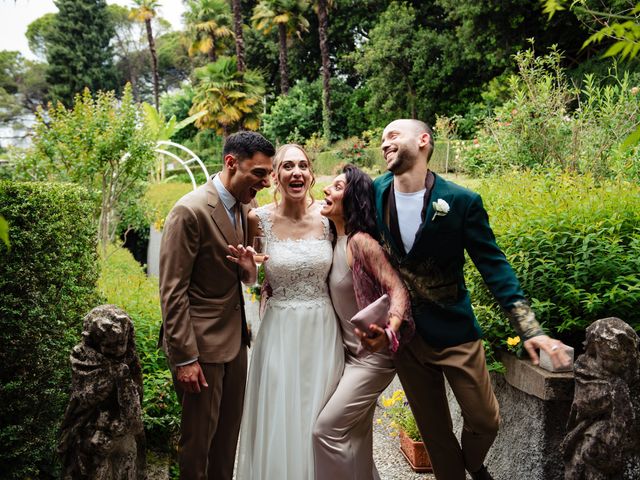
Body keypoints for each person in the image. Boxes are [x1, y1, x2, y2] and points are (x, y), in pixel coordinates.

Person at [365, 119, 572, 480]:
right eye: (382, 139)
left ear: (424, 140)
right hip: (406, 336)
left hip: (454, 330)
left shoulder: (461, 201)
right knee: (435, 435)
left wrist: (529, 328)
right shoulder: (374, 192)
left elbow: (494, 266)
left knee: (484, 420)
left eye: (394, 135)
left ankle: (475, 464)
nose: (385, 143)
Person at [158, 131, 275, 480]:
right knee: (198, 445)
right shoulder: (189, 211)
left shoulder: (247, 207)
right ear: (230, 163)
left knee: (227, 441)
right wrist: (185, 358)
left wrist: (248, 270)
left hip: (236, 342)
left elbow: (247, 278)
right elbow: (172, 290)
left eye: (268, 173)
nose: (266, 182)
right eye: (258, 173)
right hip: (200, 347)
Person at [234, 144, 344, 480]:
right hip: (279, 329)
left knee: (319, 415)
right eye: (286, 166)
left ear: (310, 174)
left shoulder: (329, 218)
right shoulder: (258, 218)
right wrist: (246, 268)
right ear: (275, 176)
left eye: (302, 166)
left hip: (322, 328)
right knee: (280, 412)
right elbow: (252, 278)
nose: (296, 172)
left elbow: (345, 271)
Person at [312, 164, 414, 480]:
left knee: (325, 431)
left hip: (372, 359)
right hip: (347, 356)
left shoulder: (361, 242)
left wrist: (392, 328)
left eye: (337, 186)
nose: (327, 190)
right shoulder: (333, 241)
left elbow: (397, 288)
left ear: (353, 198)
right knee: (356, 437)